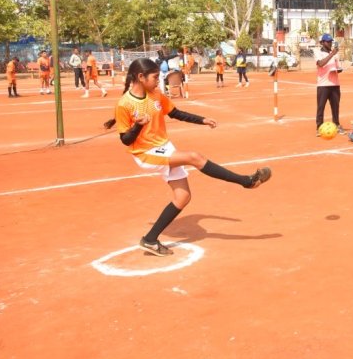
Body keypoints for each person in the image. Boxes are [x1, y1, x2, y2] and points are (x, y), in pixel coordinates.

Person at [104, 58, 272, 256]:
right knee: (194, 157)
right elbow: (125, 140)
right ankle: (247, 181)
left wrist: (202, 120)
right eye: (155, 77)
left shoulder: (156, 94)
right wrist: (138, 125)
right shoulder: (124, 104)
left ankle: (149, 239)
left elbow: (176, 113)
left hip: (163, 147)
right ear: (140, 77)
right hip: (146, 153)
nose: (159, 81)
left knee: (183, 197)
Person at [315, 34, 344, 135]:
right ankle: (319, 127)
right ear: (322, 42)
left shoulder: (335, 54)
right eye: (328, 42)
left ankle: (336, 124)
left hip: (335, 84)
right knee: (321, 107)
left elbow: (338, 67)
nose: (330, 43)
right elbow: (320, 64)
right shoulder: (318, 52)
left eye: (331, 41)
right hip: (323, 85)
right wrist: (332, 54)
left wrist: (338, 69)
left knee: (335, 107)